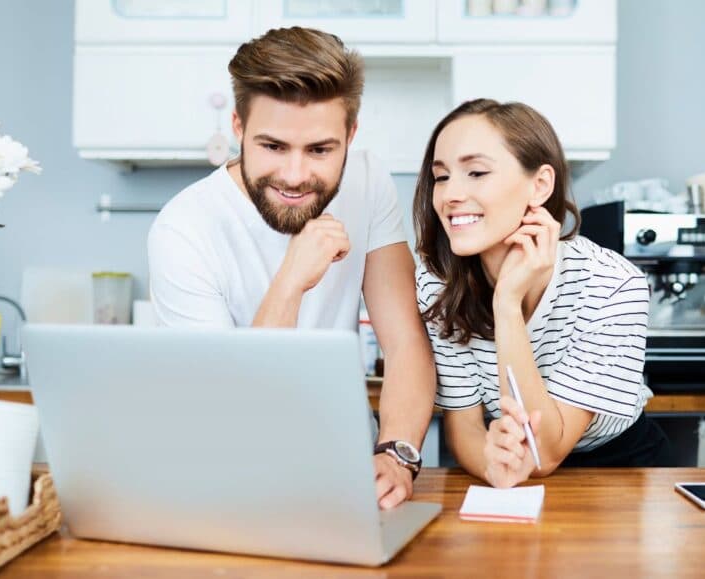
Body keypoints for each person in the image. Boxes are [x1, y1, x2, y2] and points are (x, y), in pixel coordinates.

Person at [147, 27, 436, 508]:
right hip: (228, 479)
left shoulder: (367, 180)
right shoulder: (184, 228)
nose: (296, 176)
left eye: (320, 150)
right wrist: (291, 280)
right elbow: (233, 416)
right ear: (238, 128)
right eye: (273, 146)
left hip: (346, 469)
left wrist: (396, 455)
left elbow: (406, 341)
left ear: (351, 134)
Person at [413, 99, 673, 488]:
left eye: (476, 172)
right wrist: (491, 465)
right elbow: (464, 424)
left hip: (619, 469)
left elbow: (545, 452)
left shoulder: (613, 285)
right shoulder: (438, 284)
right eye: (442, 176)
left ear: (540, 185)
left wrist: (507, 305)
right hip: (505, 460)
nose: (450, 194)